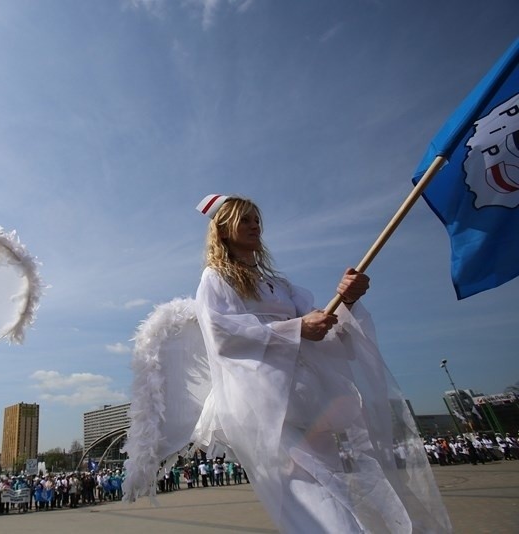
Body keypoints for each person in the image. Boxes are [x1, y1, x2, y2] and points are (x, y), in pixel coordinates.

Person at [191, 195, 451, 533]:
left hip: (309, 402)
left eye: (257, 219)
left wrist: (347, 299)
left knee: (335, 494)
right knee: (318, 505)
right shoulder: (215, 279)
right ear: (223, 230)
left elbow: (325, 329)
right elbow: (222, 334)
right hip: (265, 407)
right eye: (245, 220)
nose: (255, 225)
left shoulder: (281, 285)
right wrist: (297, 328)